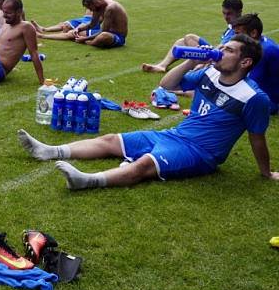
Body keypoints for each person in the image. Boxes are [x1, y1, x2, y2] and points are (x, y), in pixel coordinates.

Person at [18, 34, 277, 189]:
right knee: (111, 141)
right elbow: (167, 85)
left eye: (228, 50)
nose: (220, 52)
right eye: (222, 47)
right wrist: (192, 60)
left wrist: (266, 172)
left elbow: (257, 139)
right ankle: (49, 151)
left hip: (200, 152)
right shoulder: (209, 72)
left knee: (143, 165)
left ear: (245, 62)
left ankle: (87, 180)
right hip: (174, 134)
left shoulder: (253, 98)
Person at [142, 0, 243, 73]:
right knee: (181, 42)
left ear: (239, 12)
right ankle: (162, 66)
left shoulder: (240, 29)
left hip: (221, 59)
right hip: (217, 53)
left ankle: (197, 67)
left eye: (229, 14)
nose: (226, 17)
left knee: (189, 38)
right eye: (224, 13)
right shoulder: (232, 25)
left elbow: (225, 50)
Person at [38, 0, 128, 48]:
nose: (91, 10)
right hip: (105, 32)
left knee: (104, 36)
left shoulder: (110, 8)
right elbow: (92, 24)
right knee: (73, 33)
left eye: (90, 8)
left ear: (94, 2)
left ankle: (89, 42)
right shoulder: (98, 7)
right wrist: (79, 29)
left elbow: (104, 31)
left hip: (118, 37)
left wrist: (85, 38)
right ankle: (43, 35)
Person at [232, 13, 279, 114]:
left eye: (238, 34)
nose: (235, 38)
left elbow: (250, 85)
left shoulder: (263, 51)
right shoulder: (260, 43)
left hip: (271, 101)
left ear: (253, 33)